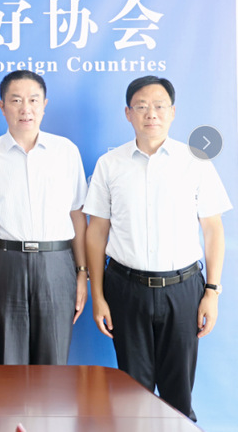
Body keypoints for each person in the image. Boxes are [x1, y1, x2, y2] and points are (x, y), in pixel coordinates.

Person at [84, 76, 230, 421]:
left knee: (179, 393)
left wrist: (211, 292)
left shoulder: (196, 160)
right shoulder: (110, 164)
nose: (151, 113)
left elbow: (213, 229)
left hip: (183, 289)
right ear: (128, 113)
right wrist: (98, 295)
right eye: (141, 106)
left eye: (159, 106)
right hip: (125, 288)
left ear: (172, 112)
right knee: (133, 393)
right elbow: (96, 232)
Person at [0, 70, 88, 365]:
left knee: (54, 361)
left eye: (34, 100)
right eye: (16, 100)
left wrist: (81, 272)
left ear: (44, 104)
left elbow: (77, 215)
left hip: (57, 264)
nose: (26, 109)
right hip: (5, 264)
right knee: (9, 362)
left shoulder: (66, 151)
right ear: (2, 106)